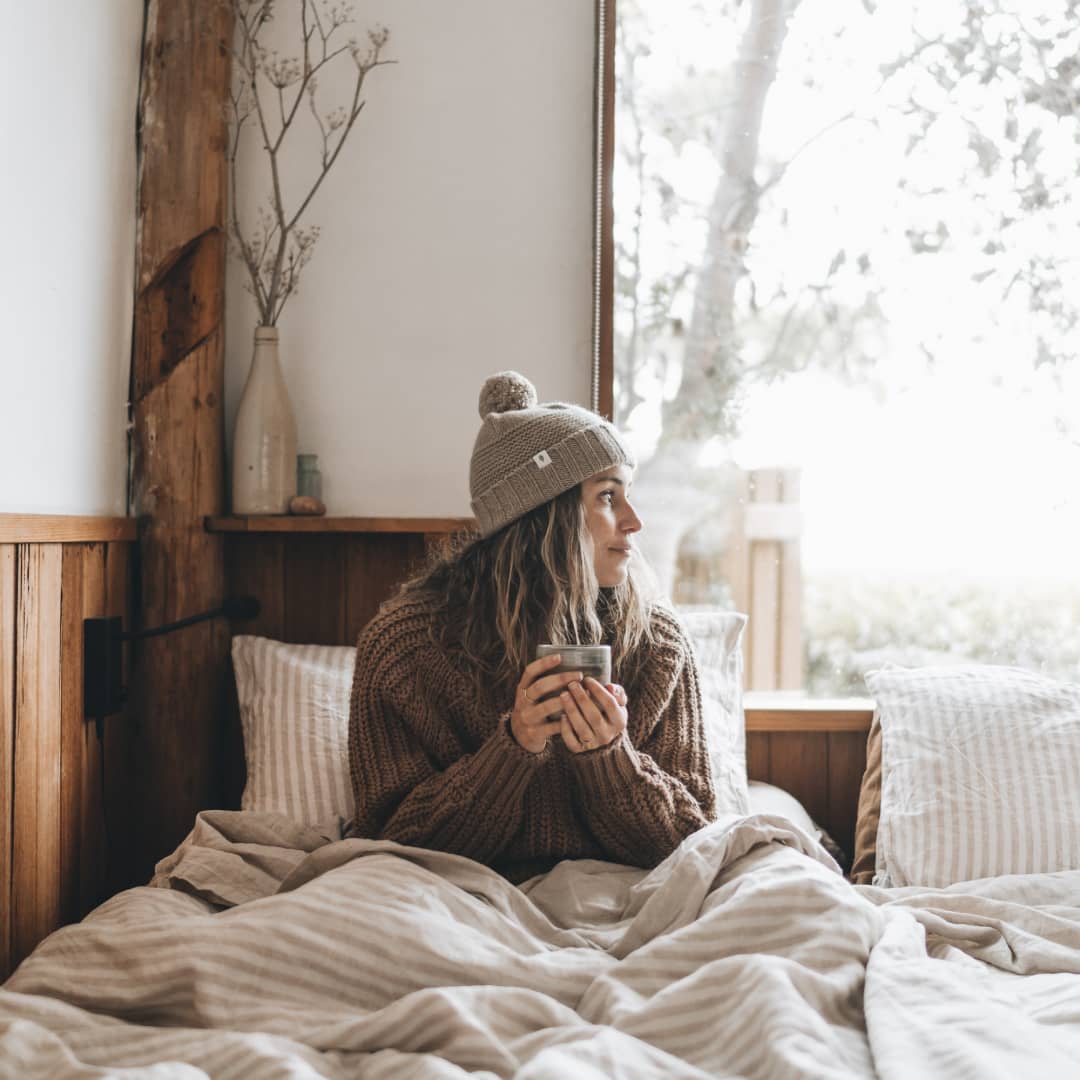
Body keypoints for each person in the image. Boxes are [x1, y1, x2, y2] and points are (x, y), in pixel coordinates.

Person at [347, 371, 717, 882]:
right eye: (608, 496)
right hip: (451, 907)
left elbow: (697, 839)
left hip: (626, 903)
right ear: (546, 515)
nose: (635, 520)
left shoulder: (656, 643)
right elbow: (387, 845)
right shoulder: (406, 648)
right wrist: (513, 749)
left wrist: (613, 761)